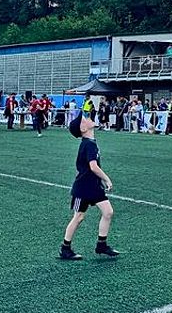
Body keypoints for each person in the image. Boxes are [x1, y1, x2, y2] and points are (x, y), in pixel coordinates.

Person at [59, 110, 119, 261]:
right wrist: (107, 179)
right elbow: (93, 167)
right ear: (83, 129)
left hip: (94, 186)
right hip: (83, 188)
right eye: (83, 120)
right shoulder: (88, 144)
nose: (87, 119)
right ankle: (65, 248)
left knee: (108, 212)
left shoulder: (91, 142)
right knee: (78, 217)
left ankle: (101, 245)